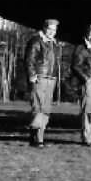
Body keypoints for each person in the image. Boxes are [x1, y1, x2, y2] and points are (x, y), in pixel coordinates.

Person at [24, 18, 62, 147]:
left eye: (54, 30)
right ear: (44, 28)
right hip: (39, 77)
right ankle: (35, 134)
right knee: (38, 106)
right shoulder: (36, 41)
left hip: (51, 78)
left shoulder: (55, 44)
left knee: (46, 108)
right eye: (50, 29)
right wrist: (31, 75)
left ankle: (39, 137)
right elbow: (29, 59)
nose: (52, 32)